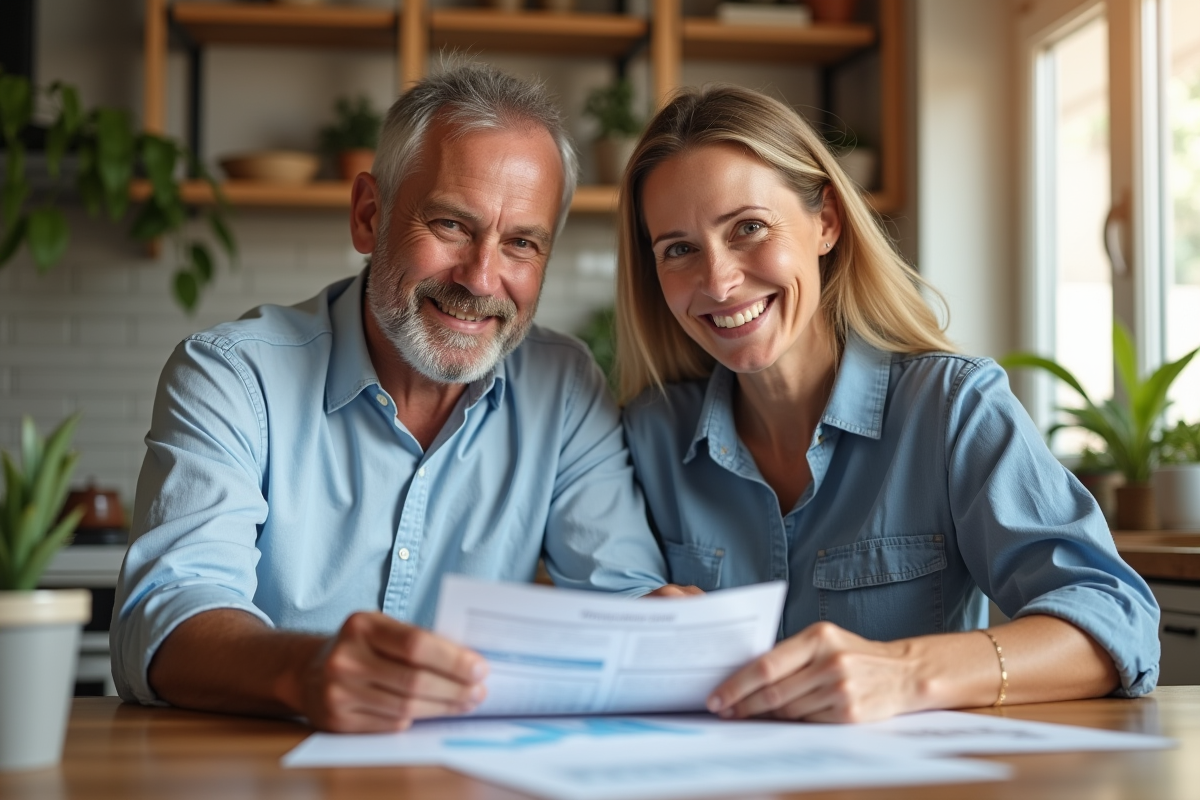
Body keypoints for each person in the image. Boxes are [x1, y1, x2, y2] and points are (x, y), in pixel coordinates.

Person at [110, 65, 674, 733]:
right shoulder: (232, 376)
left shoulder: (564, 384)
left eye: (521, 242)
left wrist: (661, 623)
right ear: (368, 215)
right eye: (451, 225)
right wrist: (306, 671)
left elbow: (624, 598)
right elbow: (166, 616)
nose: (481, 277)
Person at [617, 85, 1160, 723]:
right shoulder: (647, 435)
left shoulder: (952, 409)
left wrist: (907, 674)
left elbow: (1116, 618)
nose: (717, 280)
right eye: (678, 249)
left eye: (749, 228)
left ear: (826, 222)